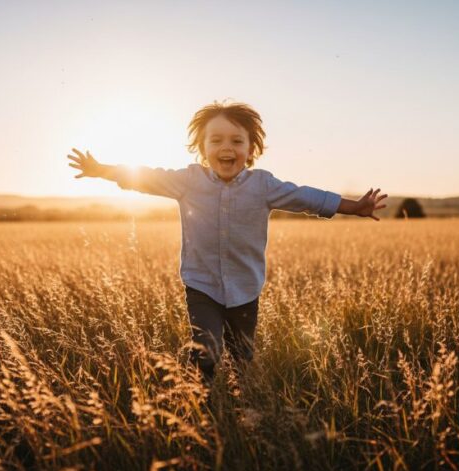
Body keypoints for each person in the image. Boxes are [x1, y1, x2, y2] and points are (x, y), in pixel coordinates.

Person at [67, 101, 387, 381]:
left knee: (241, 360)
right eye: (216, 140)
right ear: (202, 147)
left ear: (251, 149)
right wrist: (101, 170)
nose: (227, 148)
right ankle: (200, 406)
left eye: (237, 141)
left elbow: (306, 197)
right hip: (202, 285)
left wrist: (354, 207)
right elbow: (146, 177)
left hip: (246, 289)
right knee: (205, 353)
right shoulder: (188, 181)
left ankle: (238, 409)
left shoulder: (263, 185)